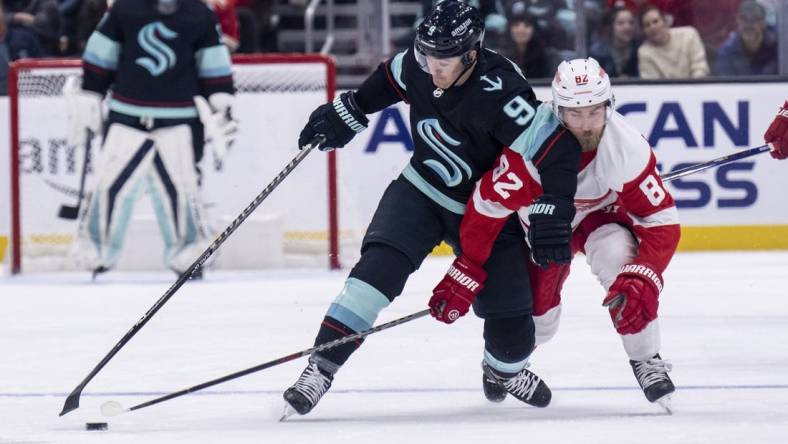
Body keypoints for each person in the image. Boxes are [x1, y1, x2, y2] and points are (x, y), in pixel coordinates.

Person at [282, 0, 581, 418]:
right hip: (420, 191)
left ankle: (504, 371)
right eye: (426, 55)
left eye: (443, 60)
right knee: (374, 274)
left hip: (486, 210)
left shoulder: (502, 91)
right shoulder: (421, 62)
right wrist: (351, 109)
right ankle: (320, 368)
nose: (431, 67)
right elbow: (390, 78)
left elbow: (559, 149)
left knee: (513, 326)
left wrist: (554, 208)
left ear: (471, 54)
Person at [435, 57, 680, 409]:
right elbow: (485, 209)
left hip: (600, 218)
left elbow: (661, 221)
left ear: (609, 106)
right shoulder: (527, 151)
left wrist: (644, 274)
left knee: (619, 261)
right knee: (541, 321)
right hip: (544, 229)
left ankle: (646, 359)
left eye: (594, 112)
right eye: (574, 114)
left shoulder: (627, 148)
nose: (584, 126)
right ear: (556, 109)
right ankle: (503, 364)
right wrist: (469, 266)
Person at [69, 0, 237, 277]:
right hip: (127, 115)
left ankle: (190, 253)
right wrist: (90, 91)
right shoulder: (125, 9)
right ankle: (96, 251)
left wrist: (221, 104)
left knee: (183, 190)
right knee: (108, 184)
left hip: (178, 120)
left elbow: (213, 60)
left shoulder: (199, 14)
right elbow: (101, 53)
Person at [637, 5, 709, 79]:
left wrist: (692, 87)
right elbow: (653, 84)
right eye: (647, 25)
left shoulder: (689, 35)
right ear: (643, 31)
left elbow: (700, 68)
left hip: (696, 88)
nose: (652, 27)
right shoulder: (644, 52)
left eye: (655, 21)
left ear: (665, 22)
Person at [714, 0, 778, 77]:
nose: (748, 25)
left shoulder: (779, 47)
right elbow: (726, 85)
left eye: (754, 19)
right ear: (737, 20)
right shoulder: (727, 52)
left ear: (763, 23)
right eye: (744, 19)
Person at [589, 6, 639, 78]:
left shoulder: (638, 50)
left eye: (631, 22)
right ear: (612, 27)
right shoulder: (597, 52)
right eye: (621, 23)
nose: (627, 27)